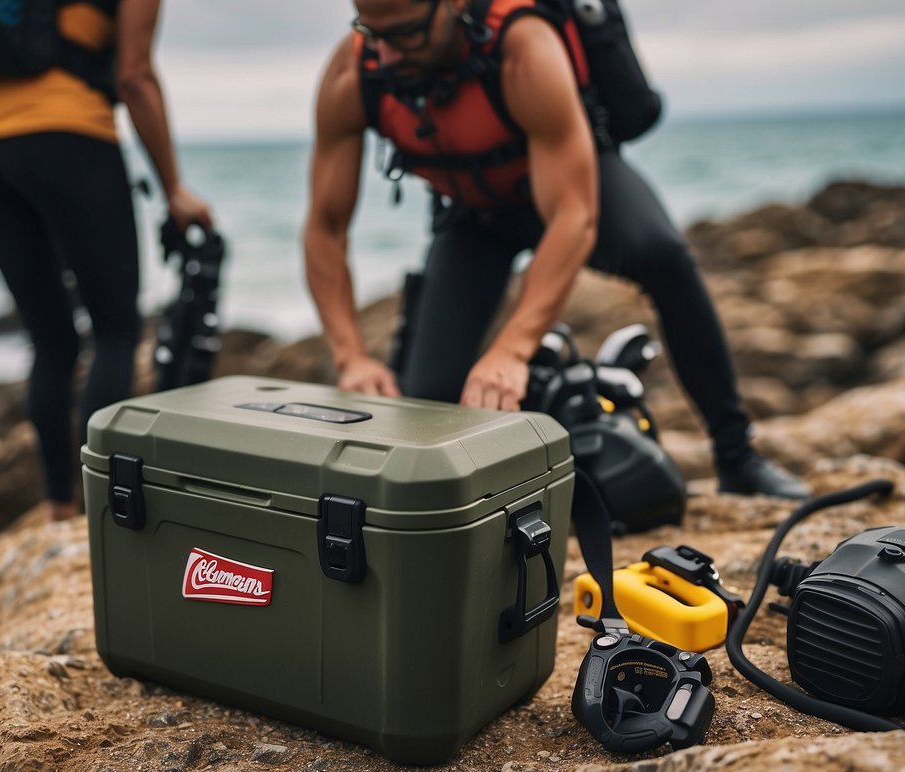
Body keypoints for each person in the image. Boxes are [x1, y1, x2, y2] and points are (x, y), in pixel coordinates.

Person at [302, 0, 808, 499]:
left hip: (574, 186)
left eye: (406, 34)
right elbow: (325, 227)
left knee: (663, 254)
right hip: (474, 215)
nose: (388, 55)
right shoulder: (355, 71)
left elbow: (574, 218)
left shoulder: (523, 47)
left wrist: (511, 350)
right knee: (426, 403)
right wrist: (350, 358)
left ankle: (737, 456)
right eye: (373, 33)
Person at [0, 0, 214, 520]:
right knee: (113, 332)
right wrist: (174, 186)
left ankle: (58, 503)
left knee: (50, 338)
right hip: (71, 138)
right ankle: (99, 515)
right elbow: (134, 77)